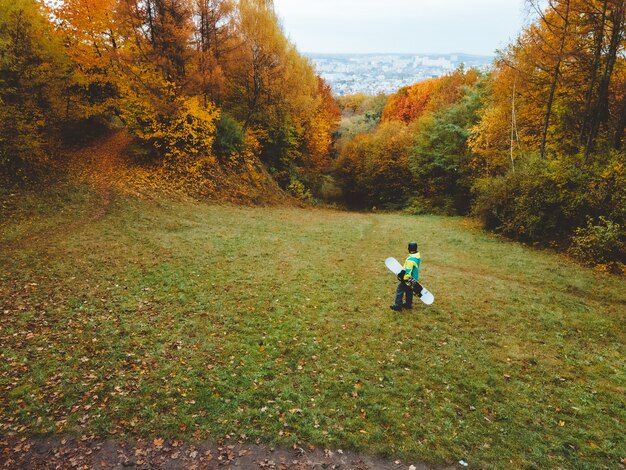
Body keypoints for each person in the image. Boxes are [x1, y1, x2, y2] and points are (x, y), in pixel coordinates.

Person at [390, 241, 421, 311]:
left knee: (400, 289)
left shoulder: (410, 260)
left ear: (409, 249)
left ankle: (398, 306)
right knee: (409, 290)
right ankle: (408, 304)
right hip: (414, 278)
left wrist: (404, 278)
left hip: (408, 278)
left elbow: (408, 272)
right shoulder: (418, 257)